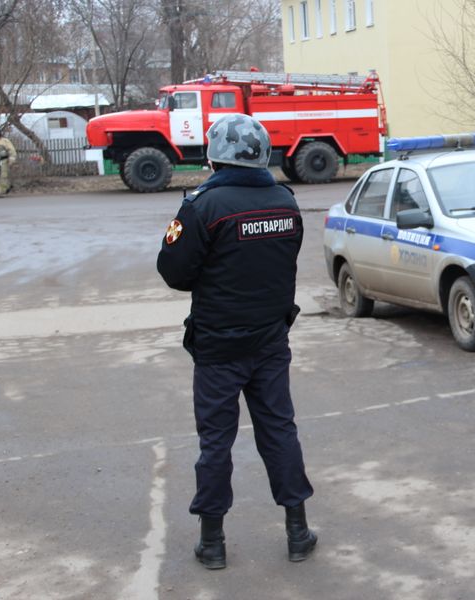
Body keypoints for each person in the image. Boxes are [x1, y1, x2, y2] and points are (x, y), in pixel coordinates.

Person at [156, 113, 316, 570]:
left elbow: (174, 272)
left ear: (216, 156)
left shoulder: (203, 206)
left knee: (216, 443)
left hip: (219, 348)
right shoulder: (285, 202)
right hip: (269, 341)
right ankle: (298, 532)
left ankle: (212, 543)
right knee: (280, 432)